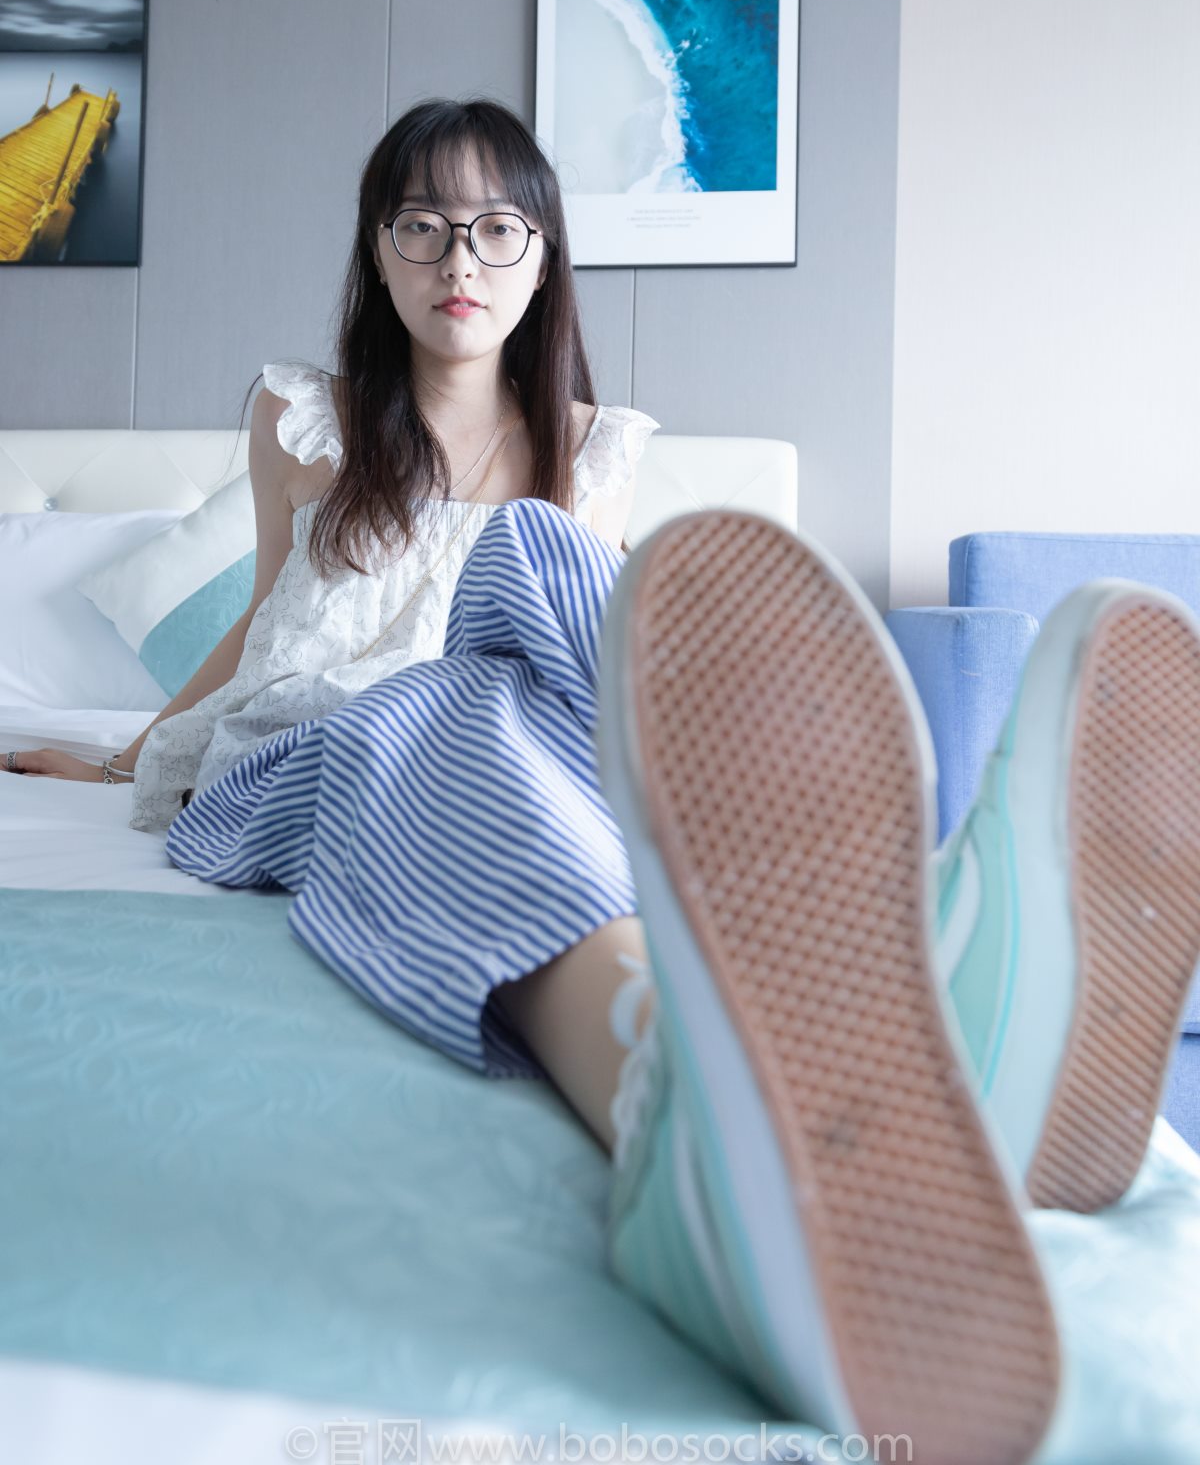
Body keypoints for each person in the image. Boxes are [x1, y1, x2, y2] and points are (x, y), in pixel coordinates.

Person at [7, 99, 1200, 1462]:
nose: (459, 258)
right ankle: (681, 1097)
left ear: (543, 257)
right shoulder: (302, 422)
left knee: (545, 565)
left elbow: (558, 655)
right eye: (422, 226)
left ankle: (867, 947)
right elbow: (267, 618)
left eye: (496, 228)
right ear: (379, 253)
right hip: (319, 753)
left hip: (517, 732)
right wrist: (132, 751)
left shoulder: (598, 450)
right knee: (447, 702)